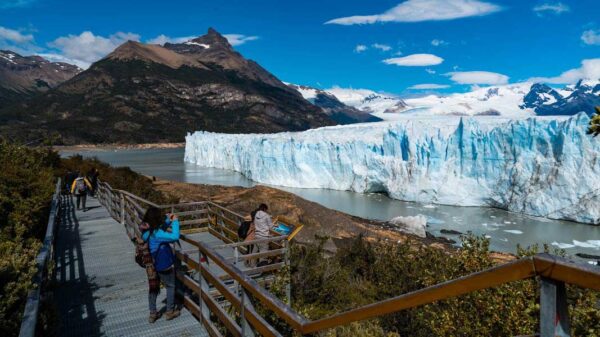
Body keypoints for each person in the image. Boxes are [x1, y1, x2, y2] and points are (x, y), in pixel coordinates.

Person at [141, 207, 181, 323]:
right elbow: (174, 237)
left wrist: (168, 220)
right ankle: (169, 312)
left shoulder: (146, 229)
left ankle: (153, 314)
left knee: (153, 288)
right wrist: (175, 222)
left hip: (151, 264)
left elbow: (159, 229)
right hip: (162, 263)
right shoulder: (157, 233)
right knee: (170, 286)